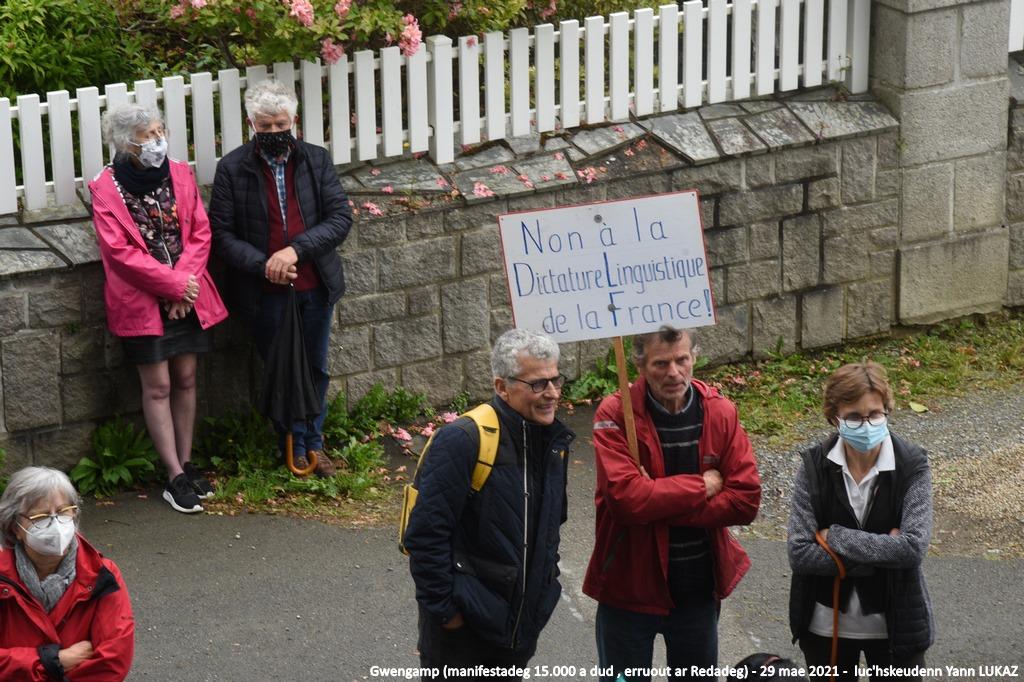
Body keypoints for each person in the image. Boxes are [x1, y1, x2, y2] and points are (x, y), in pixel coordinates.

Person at [583, 325, 761, 682]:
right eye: (661, 363)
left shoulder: (720, 412)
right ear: (639, 365)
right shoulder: (616, 413)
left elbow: (745, 501)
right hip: (629, 588)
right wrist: (704, 485)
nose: (674, 373)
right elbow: (626, 502)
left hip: (697, 591)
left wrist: (658, 499)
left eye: (682, 360)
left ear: (695, 355)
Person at [403, 329, 576, 681]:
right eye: (538, 384)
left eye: (556, 380)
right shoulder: (463, 440)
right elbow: (424, 535)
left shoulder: (553, 443)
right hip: (462, 635)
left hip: (518, 631)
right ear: (502, 387)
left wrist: (545, 591)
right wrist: (446, 612)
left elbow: (549, 530)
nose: (553, 393)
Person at [209, 79, 352, 478]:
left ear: (294, 120)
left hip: (313, 283)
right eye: (265, 126)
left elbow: (340, 219)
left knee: (315, 367)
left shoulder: (316, 160)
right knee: (280, 368)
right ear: (251, 124)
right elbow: (222, 234)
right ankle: (290, 440)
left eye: (280, 124)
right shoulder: (232, 168)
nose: (274, 133)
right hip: (264, 293)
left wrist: (295, 251)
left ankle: (313, 442)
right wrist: (264, 264)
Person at [90, 104, 227, 514]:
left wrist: (183, 288)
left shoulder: (180, 173)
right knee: (158, 386)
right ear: (125, 144)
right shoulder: (105, 186)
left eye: (158, 131)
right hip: (142, 301)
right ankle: (173, 475)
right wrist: (172, 287)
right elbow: (119, 253)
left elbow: (200, 232)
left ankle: (186, 462)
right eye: (146, 136)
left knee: (186, 378)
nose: (156, 141)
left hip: (185, 296)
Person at [788, 362, 933, 681]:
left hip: (897, 627)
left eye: (876, 414)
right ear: (834, 418)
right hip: (825, 629)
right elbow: (799, 553)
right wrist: (883, 550)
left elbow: (912, 549)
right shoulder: (813, 467)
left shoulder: (913, 465)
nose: (866, 424)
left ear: (887, 411)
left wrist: (834, 537)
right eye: (854, 416)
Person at [0, 467, 134, 680]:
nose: (54, 523)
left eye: (63, 511)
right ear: (15, 527)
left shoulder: (102, 574)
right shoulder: (3, 578)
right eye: (40, 516)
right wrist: (55, 661)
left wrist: (27, 666)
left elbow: (113, 660)